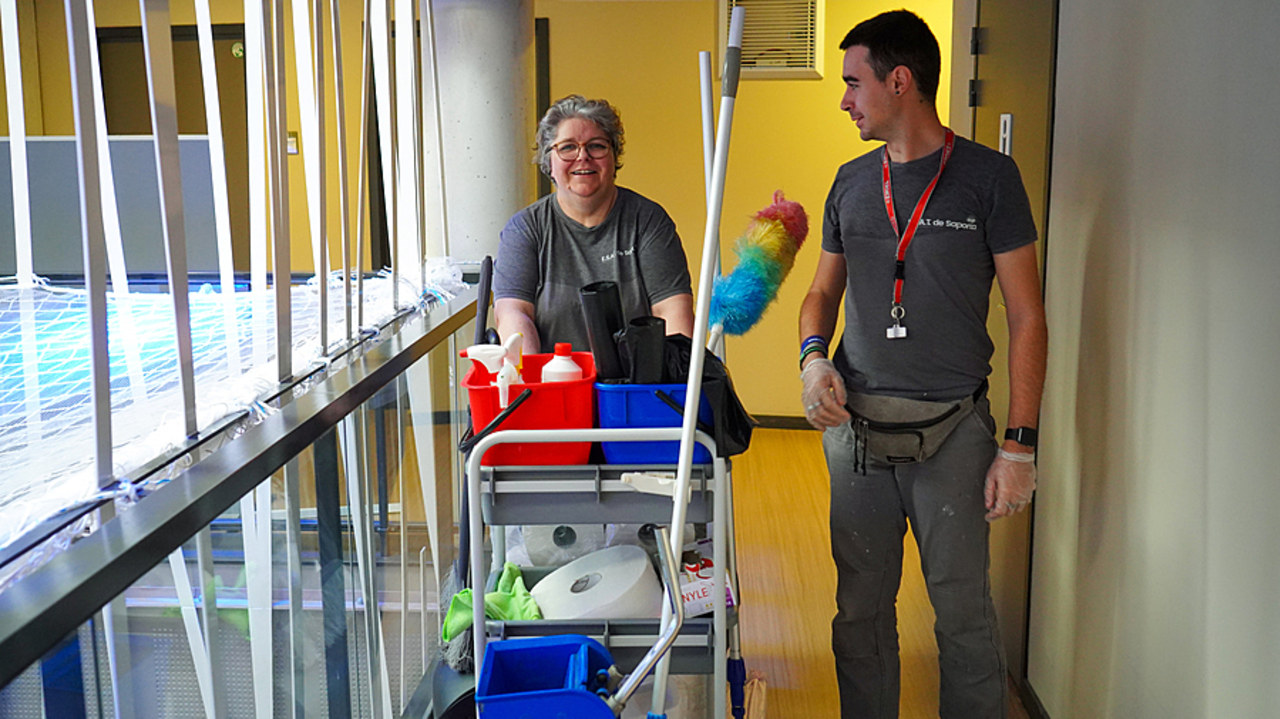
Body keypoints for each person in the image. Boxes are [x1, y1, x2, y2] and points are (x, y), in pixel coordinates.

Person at [798, 10, 1048, 718]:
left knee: (964, 616)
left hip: (955, 434)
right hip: (859, 438)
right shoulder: (850, 182)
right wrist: (814, 361)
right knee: (860, 615)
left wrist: (1018, 447)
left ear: (899, 80)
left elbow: (1029, 318)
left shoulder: (989, 179)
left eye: (853, 82)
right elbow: (820, 293)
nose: (845, 99)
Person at [493, 94, 694, 353]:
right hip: (553, 384)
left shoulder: (648, 221)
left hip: (637, 388)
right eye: (567, 147)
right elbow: (514, 315)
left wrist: (670, 383)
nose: (583, 156)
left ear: (613, 157)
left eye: (597, 146)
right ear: (549, 162)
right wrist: (530, 380)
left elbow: (673, 312)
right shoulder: (525, 229)